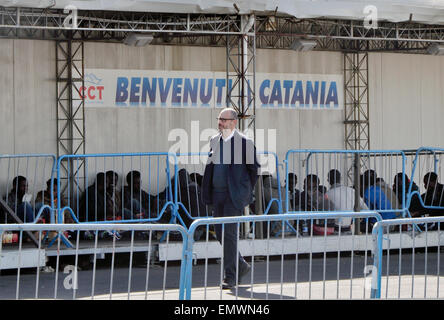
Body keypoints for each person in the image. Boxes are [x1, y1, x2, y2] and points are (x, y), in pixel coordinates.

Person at [201, 107, 260, 289]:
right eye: (219, 119)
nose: (220, 122)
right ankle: (241, 264)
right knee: (220, 234)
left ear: (234, 122)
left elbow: (254, 170)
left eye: (224, 120)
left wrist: (243, 190)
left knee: (230, 234)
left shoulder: (245, 143)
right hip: (217, 194)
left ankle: (230, 276)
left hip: (233, 196)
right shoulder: (214, 141)